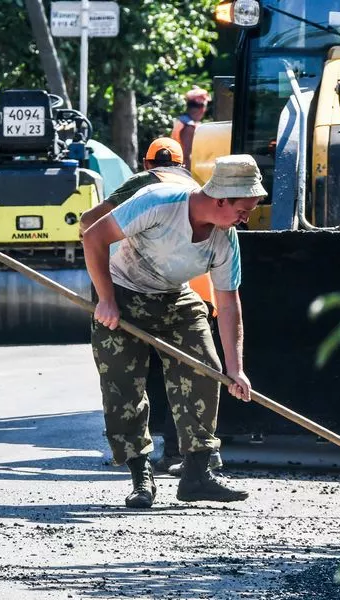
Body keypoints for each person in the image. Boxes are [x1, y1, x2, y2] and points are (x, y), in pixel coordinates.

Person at [82, 154, 266, 509]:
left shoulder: (225, 239)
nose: (247, 217)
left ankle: (197, 474)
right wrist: (106, 299)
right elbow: (93, 236)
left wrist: (235, 368)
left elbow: (228, 304)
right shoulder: (159, 202)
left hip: (175, 298)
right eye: (244, 208)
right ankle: (140, 477)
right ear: (221, 197)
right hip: (123, 292)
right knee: (122, 384)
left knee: (204, 369)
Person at [80, 137, 222, 475]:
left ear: (147, 164)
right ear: (182, 162)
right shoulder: (194, 186)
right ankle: (185, 455)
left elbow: (88, 223)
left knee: (128, 384)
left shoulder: (145, 183)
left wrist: (106, 282)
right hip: (193, 293)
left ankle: (144, 471)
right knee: (193, 374)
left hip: (145, 293)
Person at [171, 86, 210, 171]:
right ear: (202, 108)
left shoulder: (183, 121)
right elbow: (186, 156)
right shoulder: (189, 127)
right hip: (183, 171)